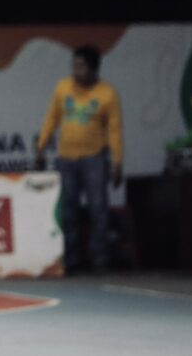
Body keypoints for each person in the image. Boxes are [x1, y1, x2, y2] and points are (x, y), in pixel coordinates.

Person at [35, 44, 123, 274]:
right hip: (66, 158)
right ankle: (71, 259)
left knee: (98, 209)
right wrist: (41, 146)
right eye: (74, 65)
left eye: (81, 66)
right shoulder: (63, 87)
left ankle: (100, 258)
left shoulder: (107, 93)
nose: (75, 70)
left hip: (95, 158)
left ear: (94, 69)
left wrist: (117, 161)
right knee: (68, 210)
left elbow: (114, 130)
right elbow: (51, 119)